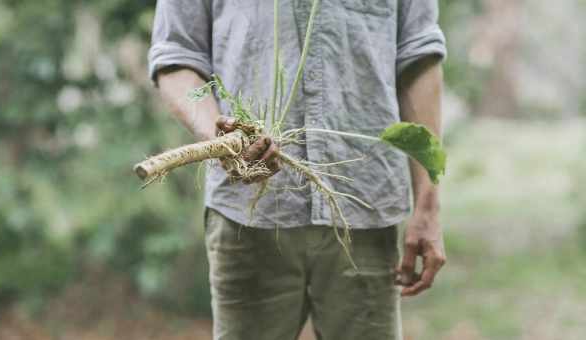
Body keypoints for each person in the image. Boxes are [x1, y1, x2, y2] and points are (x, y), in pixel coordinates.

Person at [149, 1, 446, 339]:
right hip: (249, 211)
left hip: (364, 206)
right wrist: (221, 139)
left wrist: (428, 202)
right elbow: (175, 54)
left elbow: (419, 52)